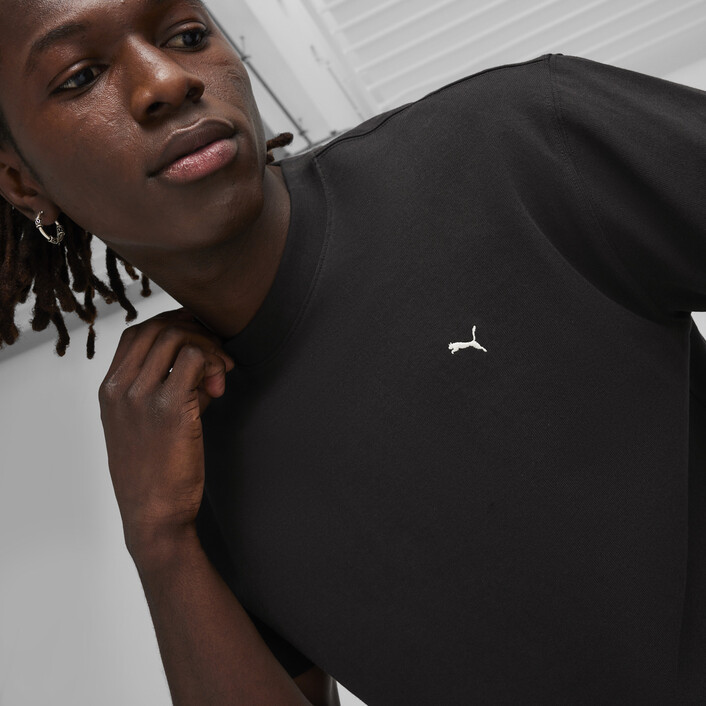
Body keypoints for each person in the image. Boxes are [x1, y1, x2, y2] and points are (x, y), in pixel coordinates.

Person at [0, 0, 704, 704]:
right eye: (80, 76)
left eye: (186, 35)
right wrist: (159, 541)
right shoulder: (183, 460)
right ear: (23, 183)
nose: (167, 80)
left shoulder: (518, 140)